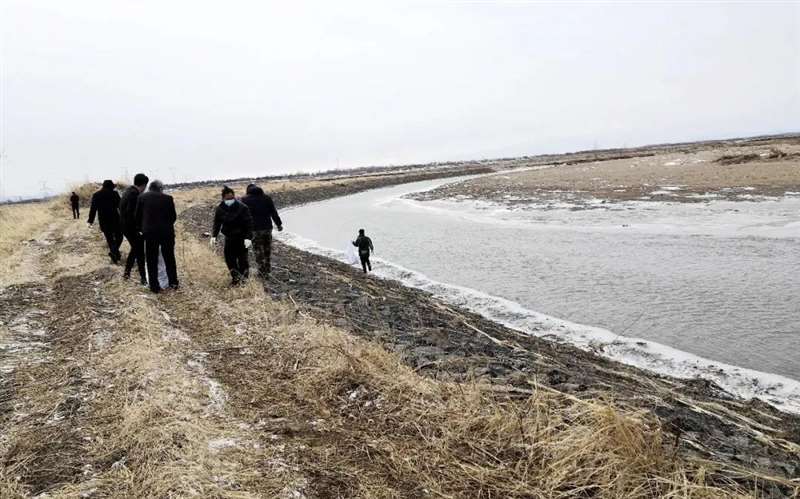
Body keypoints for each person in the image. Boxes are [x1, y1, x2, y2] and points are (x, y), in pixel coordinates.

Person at [135, 180, 179, 293]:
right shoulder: (168, 198)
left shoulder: (142, 197)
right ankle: (173, 283)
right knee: (169, 258)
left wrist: (141, 229)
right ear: (160, 188)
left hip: (150, 233)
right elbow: (173, 217)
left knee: (151, 260)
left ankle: (154, 286)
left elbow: (137, 216)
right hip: (167, 233)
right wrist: (166, 225)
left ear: (150, 188)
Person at [211, 186, 254, 286]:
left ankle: (244, 280)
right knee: (229, 259)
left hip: (242, 237)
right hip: (229, 238)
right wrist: (214, 236)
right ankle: (236, 278)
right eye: (227, 198)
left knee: (243, 260)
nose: (230, 200)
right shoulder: (220, 208)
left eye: (231, 198)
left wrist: (248, 237)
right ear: (223, 198)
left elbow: (249, 223)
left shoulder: (242, 207)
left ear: (234, 197)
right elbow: (217, 223)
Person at [240, 183, 283, 278]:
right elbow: (273, 212)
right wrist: (279, 224)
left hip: (254, 229)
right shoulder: (267, 198)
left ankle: (262, 271)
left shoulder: (244, 200)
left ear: (248, 191)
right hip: (267, 228)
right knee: (267, 249)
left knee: (258, 250)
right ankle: (267, 268)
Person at [120, 173, 149, 285]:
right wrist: (138, 229)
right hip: (131, 228)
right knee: (140, 252)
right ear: (144, 185)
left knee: (135, 249)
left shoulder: (127, 191)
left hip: (125, 227)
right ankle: (143, 278)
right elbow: (131, 213)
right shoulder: (134, 194)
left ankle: (127, 273)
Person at [88, 180, 123, 263]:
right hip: (115, 219)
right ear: (111, 186)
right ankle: (114, 253)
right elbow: (120, 206)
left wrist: (91, 220)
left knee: (110, 239)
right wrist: (124, 216)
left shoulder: (96, 195)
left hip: (103, 220)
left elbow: (93, 209)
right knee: (119, 237)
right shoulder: (114, 194)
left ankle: (115, 254)